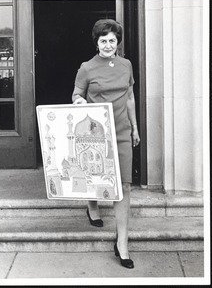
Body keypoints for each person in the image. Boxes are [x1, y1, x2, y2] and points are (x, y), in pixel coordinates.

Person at [72, 19, 140, 269]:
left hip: (121, 131)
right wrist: (80, 102)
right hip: (96, 132)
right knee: (94, 176)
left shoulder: (126, 65)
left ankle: (122, 242)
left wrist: (134, 127)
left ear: (117, 42)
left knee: (123, 186)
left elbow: (130, 97)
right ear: (96, 42)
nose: (108, 44)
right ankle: (92, 207)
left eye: (112, 40)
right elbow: (76, 95)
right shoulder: (87, 68)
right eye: (104, 40)